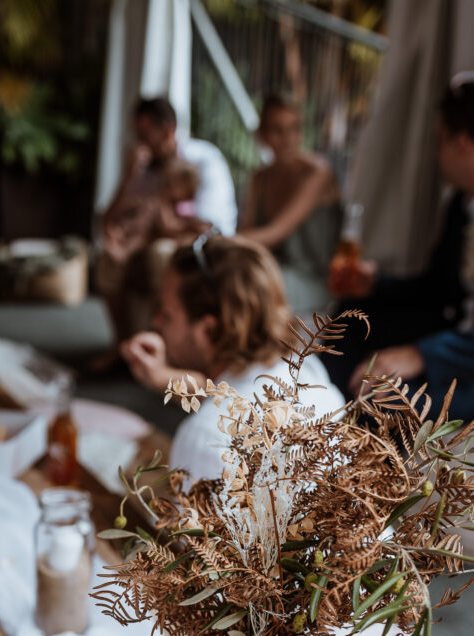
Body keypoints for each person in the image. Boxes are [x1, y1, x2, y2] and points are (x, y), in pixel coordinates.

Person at [121, 234, 344, 479]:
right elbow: (240, 400)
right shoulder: (311, 375)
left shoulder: (206, 439)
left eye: (166, 314)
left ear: (209, 330)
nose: (156, 322)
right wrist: (163, 377)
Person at [327, 74, 474, 421]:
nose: (436, 155)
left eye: (439, 141)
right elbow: (438, 288)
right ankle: (317, 413)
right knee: (352, 315)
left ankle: (350, 462)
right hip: (449, 327)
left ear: (463, 144)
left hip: (464, 359)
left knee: (387, 396)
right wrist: (377, 284)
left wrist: (422, 354)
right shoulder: (460, 205)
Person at [96, 97, 237, 345]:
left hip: (196, 246)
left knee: (160, 254)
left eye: (145, 134)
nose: (139, 141)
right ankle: (121, 345)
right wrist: (128, 178)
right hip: (152, 239)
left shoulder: (203, 160)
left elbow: (207, 227)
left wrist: (153, 230)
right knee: (110, 257)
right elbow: (109, 219)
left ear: (168, 131)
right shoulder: (145, 168)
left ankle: (166, 350)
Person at [239, 94, 341, 315]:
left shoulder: (317, 173)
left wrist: (220, 241)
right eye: (278, 130)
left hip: (315, 280)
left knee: (249, 282)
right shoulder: (261, 178)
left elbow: (274, 232)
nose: (288, 138)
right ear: (262, 135)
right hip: (275, 271)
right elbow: (247, 232)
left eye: (294, 128)